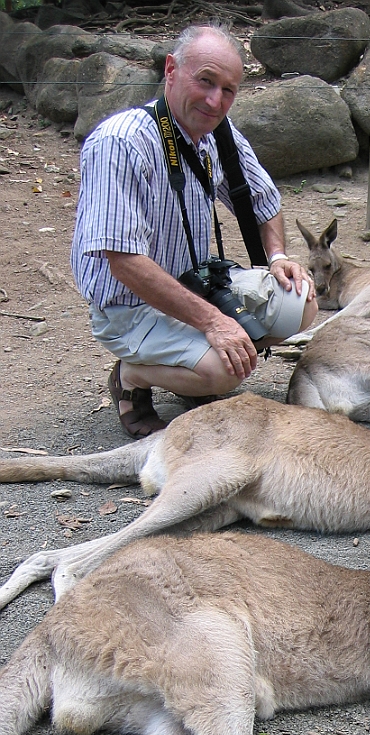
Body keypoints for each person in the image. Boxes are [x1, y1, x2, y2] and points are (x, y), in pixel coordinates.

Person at [71, 23, 318, 437]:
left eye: (228, 89)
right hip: (129, 306)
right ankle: (132, 375)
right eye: (205, 81)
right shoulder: (120, 143)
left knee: (301, 301)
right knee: (224, 374)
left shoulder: (216, 132)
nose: (215, 100)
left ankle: (189, 360)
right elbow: (124, 262)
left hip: (193, 283)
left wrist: (278, 257)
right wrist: (214, 322)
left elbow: (264, 201)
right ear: (171, 70)